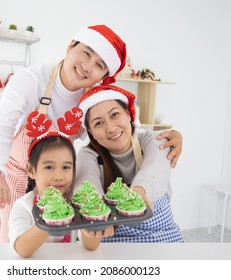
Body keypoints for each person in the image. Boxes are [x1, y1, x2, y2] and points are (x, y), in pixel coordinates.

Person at [0, 24, 183, 242]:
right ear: (70, 46)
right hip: (20, 180)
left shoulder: (94, 100)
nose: (87, 67)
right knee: (17, 246)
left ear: (103, 76)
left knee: (59, 247)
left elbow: (131, 129)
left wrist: (168, 138)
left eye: (98, 65)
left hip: (59, 182)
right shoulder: (31, 79)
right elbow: (1, 127)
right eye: (86, 53)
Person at [74, 84, 184, 242]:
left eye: (115, 115)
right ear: (91, 132)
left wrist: (139, 192)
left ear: (128, 114)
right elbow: (85, 187)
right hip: (113, 246)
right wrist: (96, 215)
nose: (111, 128)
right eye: (98, 123)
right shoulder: (88, 155)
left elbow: (155, 168)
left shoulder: (153, 141)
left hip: (165, 242)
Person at [9, 108, 113, 257]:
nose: (58, 176)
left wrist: (92, 220)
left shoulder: (73, 203)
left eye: (66, 167)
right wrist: (54, 217)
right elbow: (22, 249)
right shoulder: (24, 206)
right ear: (31, 170)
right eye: (49, 167)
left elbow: (91, 247)